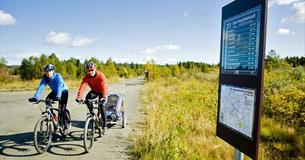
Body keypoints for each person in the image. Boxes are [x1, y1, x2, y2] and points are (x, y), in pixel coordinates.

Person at [75, 62, 108, 134]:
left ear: (95, 69)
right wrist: (79, 96)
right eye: (89, 71)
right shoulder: (87, 76)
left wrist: (104, 97)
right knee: (87, 99)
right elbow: (82, 86)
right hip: (94, 91)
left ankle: (105, 126)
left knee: (102, 106)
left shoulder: (100, 75)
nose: (91, 72)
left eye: (92, 70)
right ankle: (92, 114)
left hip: (102, 92)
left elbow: (104, 87)